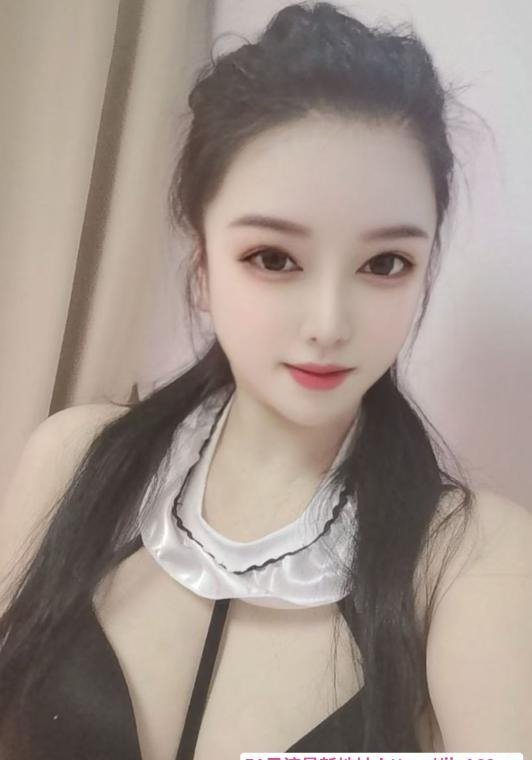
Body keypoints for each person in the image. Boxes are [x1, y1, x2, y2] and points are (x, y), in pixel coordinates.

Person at [1, 2, 531, 759]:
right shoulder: (72, 463)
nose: (328, 323)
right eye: (273, 258)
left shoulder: (477, 562)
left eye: (385, 264)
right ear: (202, 266)